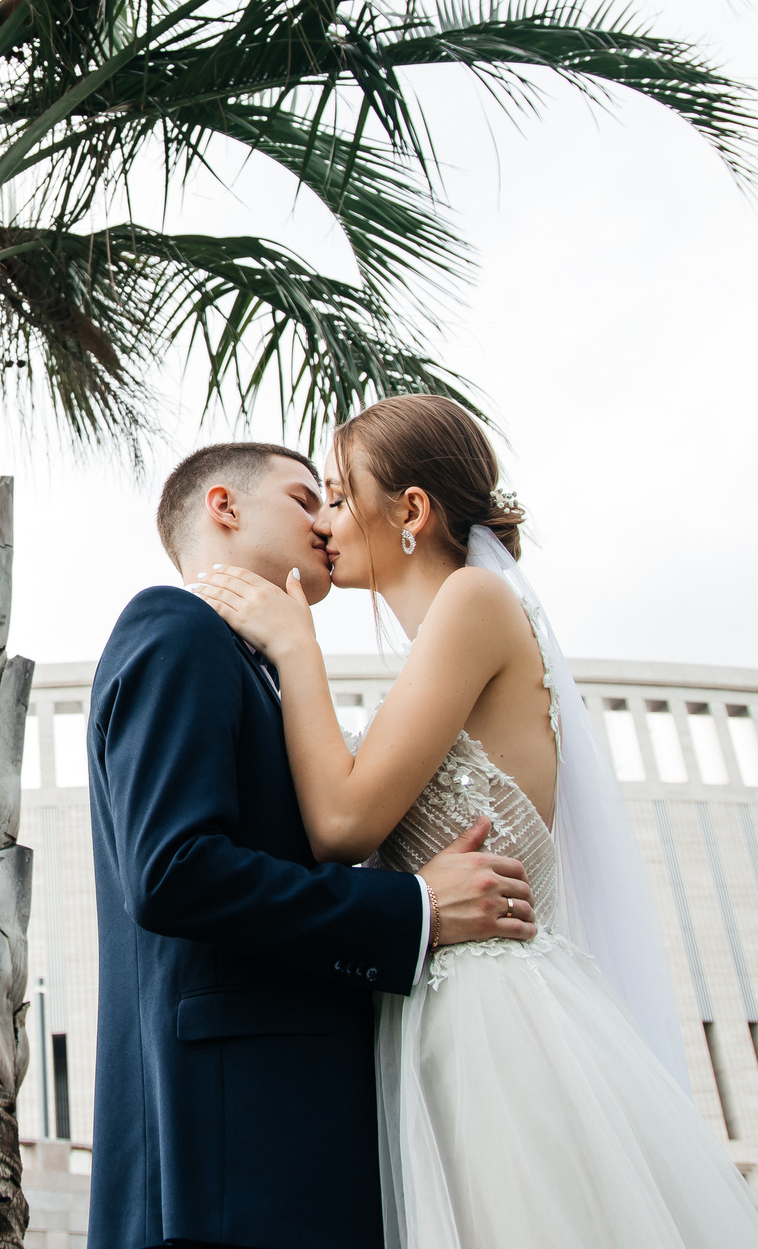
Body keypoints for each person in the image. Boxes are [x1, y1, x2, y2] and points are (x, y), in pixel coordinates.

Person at [187, 395, 758, 1248]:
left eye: (337, 492)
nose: (324, 520)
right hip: (435, 1010)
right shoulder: (439, 642)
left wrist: (296, 649)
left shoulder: (473, 601)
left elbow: (342, 823)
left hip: (492, 1020)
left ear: (410, 510)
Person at [85, 441, 541, 1249]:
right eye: (305, 499)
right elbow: (174, 871)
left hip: (293, 1148)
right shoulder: (177, 626)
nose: (327, 523)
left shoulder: (266, 673)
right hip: (226, 1162)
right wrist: (417, 906)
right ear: (223, 507)